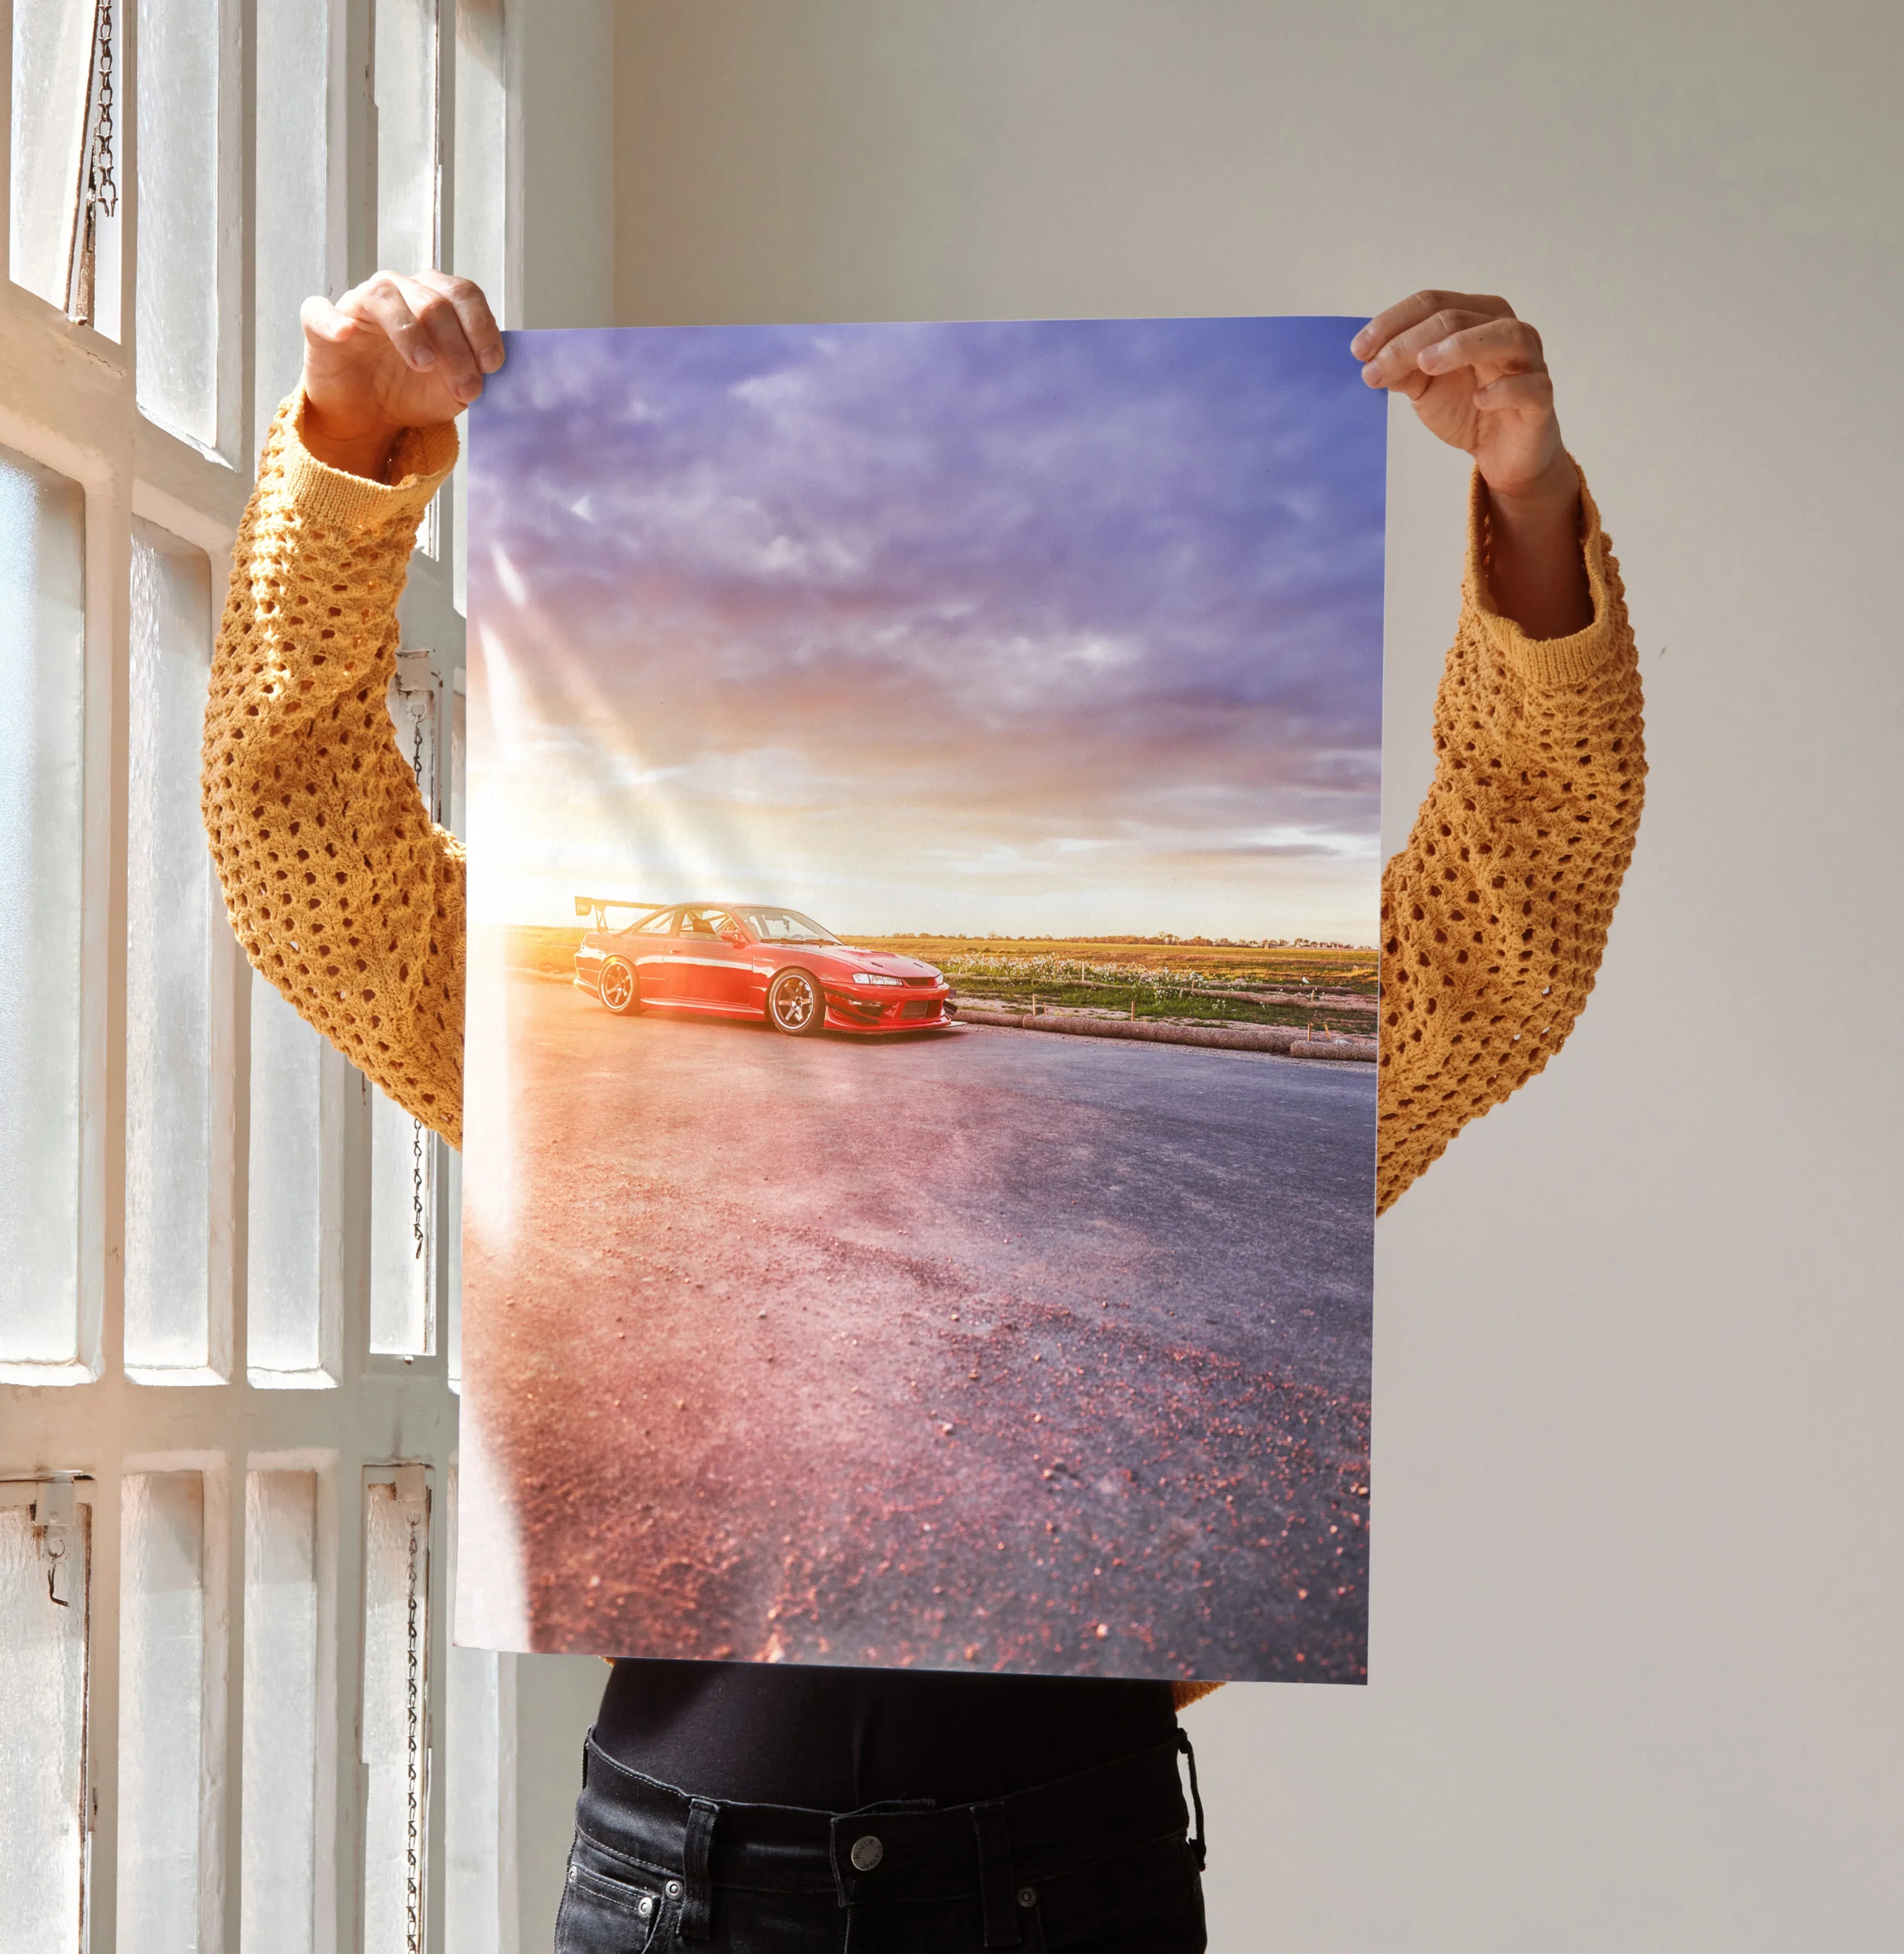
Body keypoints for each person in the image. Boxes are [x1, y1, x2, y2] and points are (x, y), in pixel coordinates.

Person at [203, 273, 1644, 1952]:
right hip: (686, 1886)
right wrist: (347, 454)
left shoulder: (1096, 1139)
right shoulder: (557, 1077)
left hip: (1069, 1874)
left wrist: (1528, 505)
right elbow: (302, 848)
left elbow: (1511, 922)